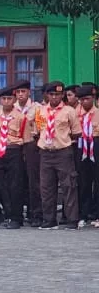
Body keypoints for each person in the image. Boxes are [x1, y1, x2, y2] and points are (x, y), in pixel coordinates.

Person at [36, 81, 82, 229]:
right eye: (52, 94)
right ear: (47, 95)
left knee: (68, 186)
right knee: (46, 187)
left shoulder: (69, 111)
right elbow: (38, 130)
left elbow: (76, 132)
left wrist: (63, 140)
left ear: (62, 95)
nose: (54, 97)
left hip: (63, 152)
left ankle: (72, 220)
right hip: (45, 153)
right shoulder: (41, 111)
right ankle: (49, 220)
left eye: (58, 94)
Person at [0, 88, 29, 229]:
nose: (6, 101)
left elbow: (26, 139)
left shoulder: (21, 117)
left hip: (14, 151)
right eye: (3, 99)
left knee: (15, 186)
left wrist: (24, 157)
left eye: (9, 98)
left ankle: (16, 218)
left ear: (14, 100)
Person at [13, 81, 43, 226]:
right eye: (18, 92)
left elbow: (41, 126)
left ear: (29, 92)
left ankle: (35, 214)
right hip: (16, 145)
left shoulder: (37, 108)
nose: (20, 95)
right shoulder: (12, 108)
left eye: (23, 91)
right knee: (17, 180)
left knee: (33, 180)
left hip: (32, 144)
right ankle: (17, 215)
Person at [75, 85, 97, 227]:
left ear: (93, 98)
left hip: (96, 146)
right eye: (81, 100)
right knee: (83, 181)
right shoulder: (76, 114)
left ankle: (96, 213)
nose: (84, 102)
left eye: (87, 99)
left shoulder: (98, 113)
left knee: (97, 181)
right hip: (81, 147)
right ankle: (83, 213)